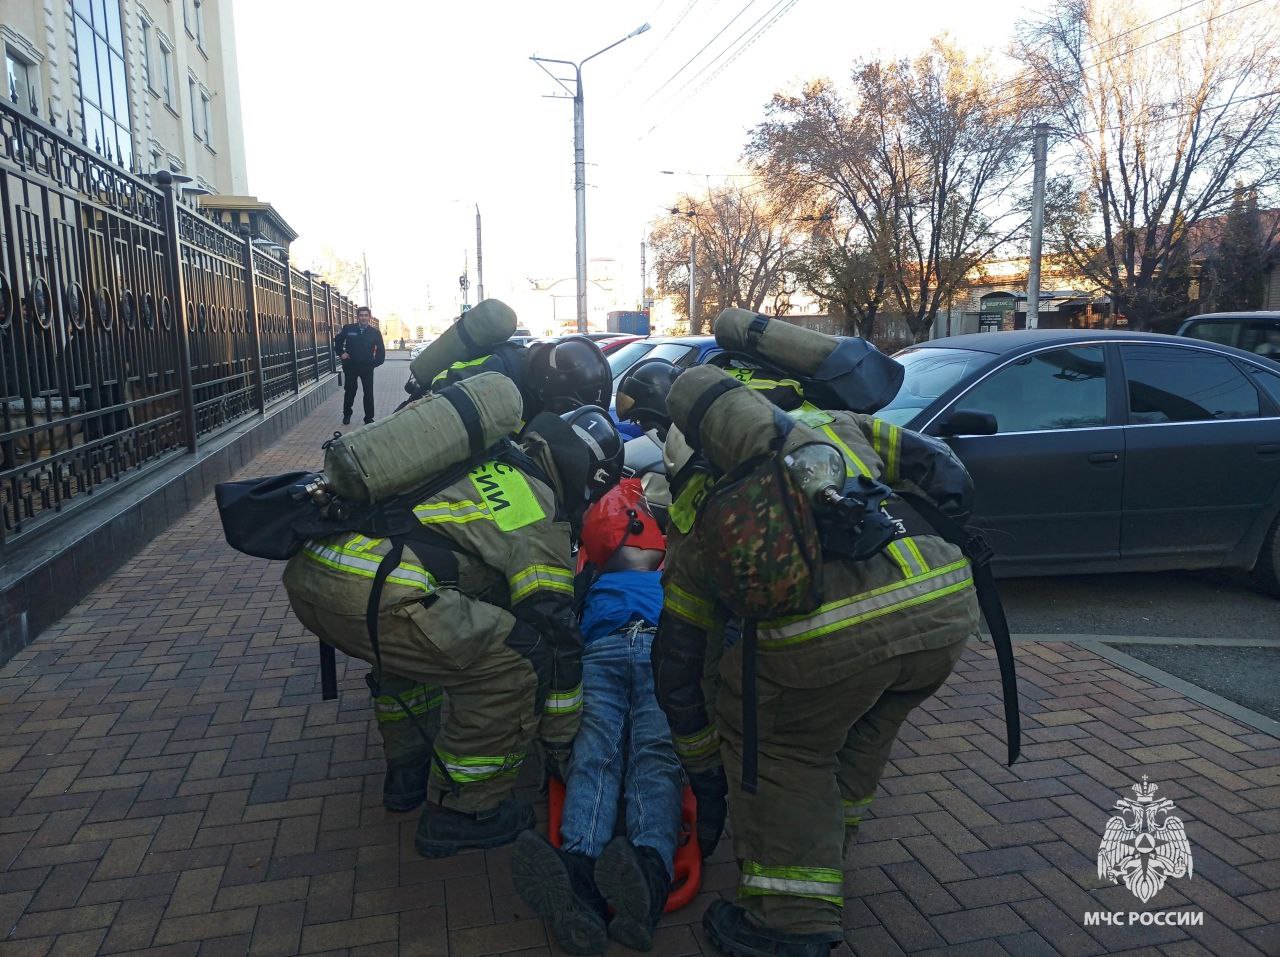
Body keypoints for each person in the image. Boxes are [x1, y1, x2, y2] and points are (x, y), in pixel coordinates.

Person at [653, 365, 982, 957]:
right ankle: (828, 852)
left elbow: (683, 660)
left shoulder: (704, 508)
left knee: (783, 752)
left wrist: (707, 764)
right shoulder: (835, 424)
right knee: (863, 731)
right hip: (944, 611)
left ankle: (788, 923)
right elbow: (942, 464)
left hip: (827, 642)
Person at [283, 405, 624, 858]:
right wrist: (562, 735)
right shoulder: (534, 509)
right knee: (517, 667)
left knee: (422, 652)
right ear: (589, 479)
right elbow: (554, 630)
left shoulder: (492, 456)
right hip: (378, 593)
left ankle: (407, 774)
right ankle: (464, 812)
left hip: (316, 577)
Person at [511, 479, 682, 955]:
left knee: (596, 755)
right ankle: (647, 872)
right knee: (655, 757)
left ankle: (580, 869)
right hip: (657, 650)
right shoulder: (667, 569)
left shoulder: (589, 576)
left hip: (603, 649)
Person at [403, 335, 612, 422]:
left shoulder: (529, 380)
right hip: (424, 418)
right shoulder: (498, 377)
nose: (560, 412)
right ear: (552, 383)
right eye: (563, 406)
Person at [334, 306, 385, 425]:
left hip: (367, 367)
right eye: (361, 315)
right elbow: (338, 341)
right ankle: (347, 415)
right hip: (351, 366)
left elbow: (381, 350)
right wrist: (341, 353)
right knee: (350, 391)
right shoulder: (349, 328)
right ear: (357, 317)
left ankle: (368, 418)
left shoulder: (375, 332)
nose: (363, 317)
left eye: (366, 315)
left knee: (368, 392)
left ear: (369, 317)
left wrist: (375, 363)